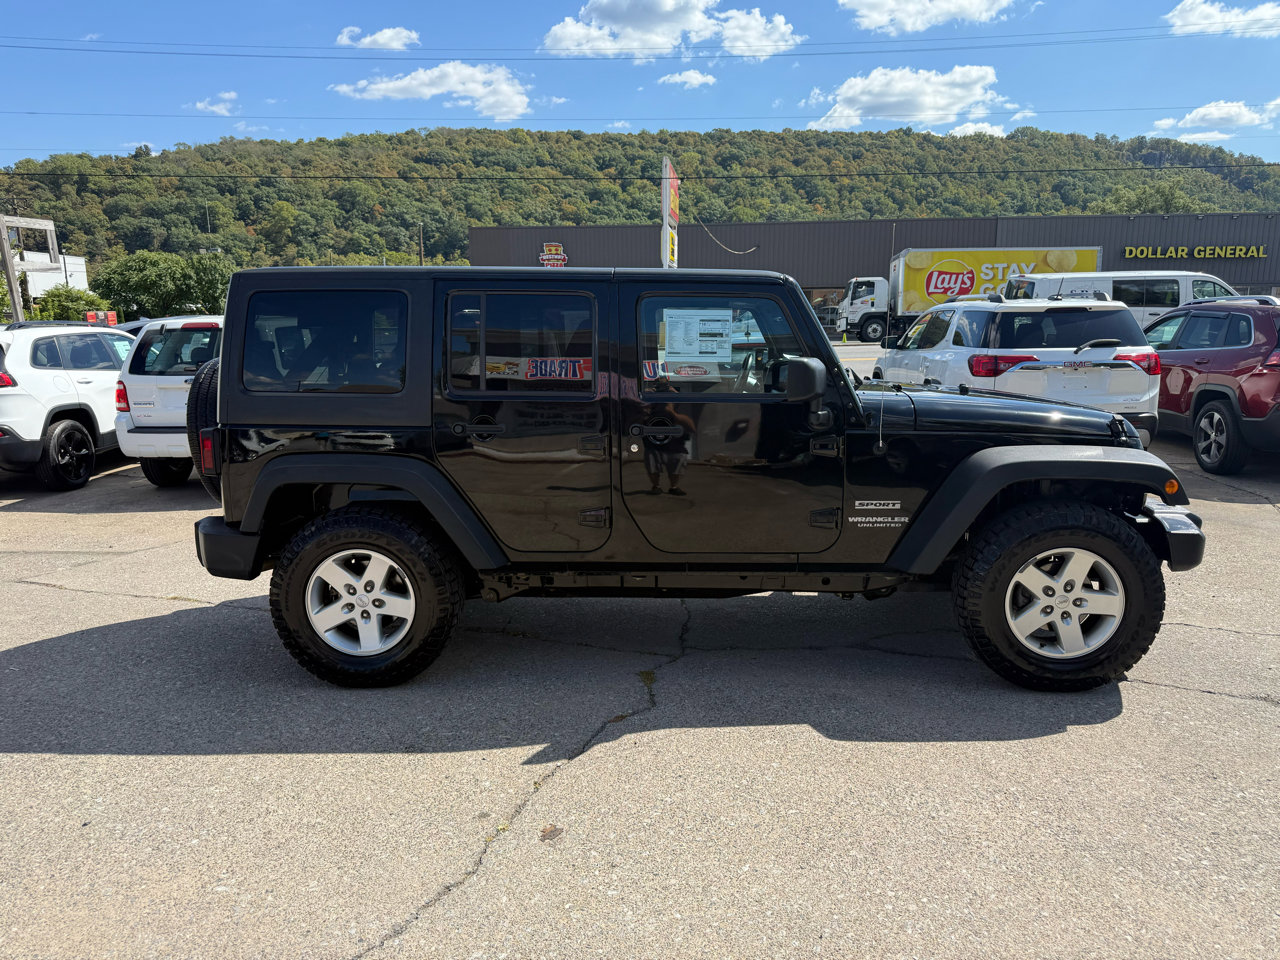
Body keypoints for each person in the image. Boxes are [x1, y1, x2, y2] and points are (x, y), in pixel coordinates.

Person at [643, 379, 697, 496]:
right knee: (652, 464)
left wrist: (672, 410)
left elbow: (691, 427)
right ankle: (656, 486)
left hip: (674, 443)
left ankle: (674, 486)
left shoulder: (676, 402)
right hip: (653, 442)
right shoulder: (650, 402)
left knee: (676, 464)